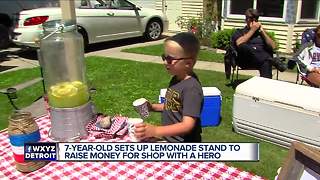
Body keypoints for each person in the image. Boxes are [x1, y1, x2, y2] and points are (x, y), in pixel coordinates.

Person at [135, 32, 203, 142]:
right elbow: (173, 105)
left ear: (188, 63)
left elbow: (187, 125)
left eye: (170, 59)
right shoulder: (176, 79)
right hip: (170, 140)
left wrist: (156, 131)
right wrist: (152, 107)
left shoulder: (192, 89)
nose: (165, 62)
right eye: (164, 57)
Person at [232, 8, 287, 78]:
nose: (254, 22)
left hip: (261, 62)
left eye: (256, 19)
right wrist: (252, 30)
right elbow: (239, 43)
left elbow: (273, 46)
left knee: (266, 62)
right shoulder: (239, 32)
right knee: (244, 46)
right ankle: (271, 60)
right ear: (246, 20)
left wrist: (263, 32)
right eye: (252, 19)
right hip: (245, 61)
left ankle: (265, 87)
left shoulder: (261, 34)